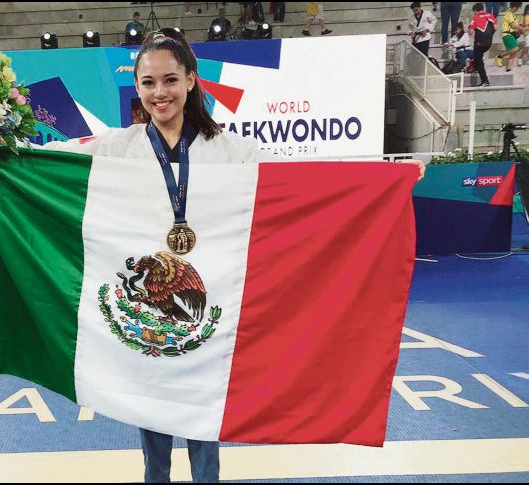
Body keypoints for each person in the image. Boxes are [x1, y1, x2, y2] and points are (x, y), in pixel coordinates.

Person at [41, 28, 425, 483]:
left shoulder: (231, 151)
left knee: (204, 433)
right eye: (148, 83)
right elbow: (50, 158)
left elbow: (306, 179)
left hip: (209, 313)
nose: (159, 93)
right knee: (153, 438)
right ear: (138, 87)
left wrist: (384, 178)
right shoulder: (117, 148)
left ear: (190, 80)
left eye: (169, 80)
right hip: (152, 320)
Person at [469, 2, 498, 87]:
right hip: (488, 43)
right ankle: (478, 69)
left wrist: (470, 29)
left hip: (479, 43)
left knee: (478, 60)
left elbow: (470, 32)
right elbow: (495, 28)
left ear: (475, 10)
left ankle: (485, 81)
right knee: (479, 58)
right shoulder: (491, 16)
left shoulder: (475, 18)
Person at [494, 2, 525, 72]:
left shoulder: (513, 16)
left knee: (513, 54)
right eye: (518, 7)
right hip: (507, 35)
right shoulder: (509, 14)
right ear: (516, 6)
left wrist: (521, 30)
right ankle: (499, 56)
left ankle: (508, 69)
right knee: (516, 48)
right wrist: (522, 28)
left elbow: (516, 28)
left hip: (513, 35)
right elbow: (513, 26)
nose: (518, 9)